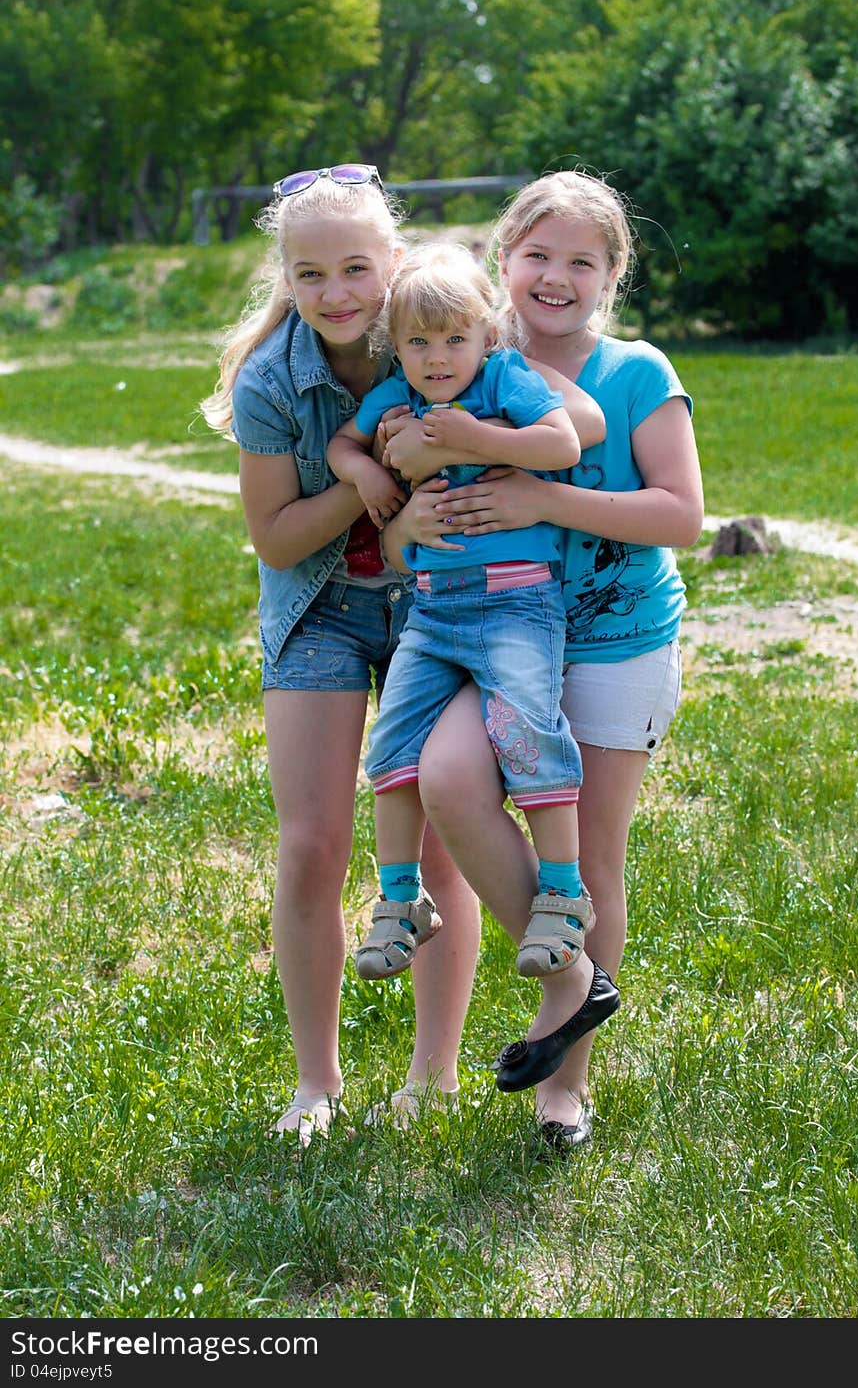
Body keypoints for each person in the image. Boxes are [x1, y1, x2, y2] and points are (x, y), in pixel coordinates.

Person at [381, 169, 704, 1152]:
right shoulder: (459, 359)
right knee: (443, 779)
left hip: (612, 641)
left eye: (582, 260)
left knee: (592, 855)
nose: (555, 276)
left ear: (612, 275)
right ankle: (574, 984)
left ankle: (565, 1084)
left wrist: (544, 499)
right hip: (493, 638)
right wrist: (408, 527)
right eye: (537, 255)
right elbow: (400, 522)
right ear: (502, 263)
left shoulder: (635, 372)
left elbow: (680, 515)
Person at [199, 164, 484, 1141]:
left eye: (357, 267)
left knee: (437, 842)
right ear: (286, 276)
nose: (337, 292)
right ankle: (315, 1083)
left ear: (392, 262)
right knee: (312, 843)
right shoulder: (275, 377)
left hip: (434, 610)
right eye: (310, 273)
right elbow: (276, 539)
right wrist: (374, 479)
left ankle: (431, 1077)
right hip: (316, 610)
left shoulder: (438, 342)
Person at [327, 240, 606, 987]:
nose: (438, 356)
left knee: (527, 732)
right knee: (392, 749)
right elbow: (342, 444)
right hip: (434, 609)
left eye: (455, 338)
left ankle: (562, 891)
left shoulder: (505, 379)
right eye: (418, 341)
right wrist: (362, 472)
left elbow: (563, 440)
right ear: (398, 347)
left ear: (487, 335)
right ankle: (399, 902)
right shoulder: (399, 398)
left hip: (516, 602)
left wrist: (468, 437)